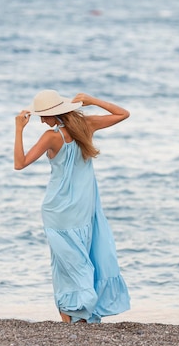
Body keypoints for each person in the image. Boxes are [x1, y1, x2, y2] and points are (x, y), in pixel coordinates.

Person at [14, 89, 131, 323]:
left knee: (65, 264)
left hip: (58, 210)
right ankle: (81, 315)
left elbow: (20, 163)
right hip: (84, 207)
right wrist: (92, 101)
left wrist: (19, 129)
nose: (40, 120)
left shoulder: (51, 136)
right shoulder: (86, 125)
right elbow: (123, 114)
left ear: (53, 114)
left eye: (42, 115)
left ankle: (75, 313)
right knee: (82, 258)